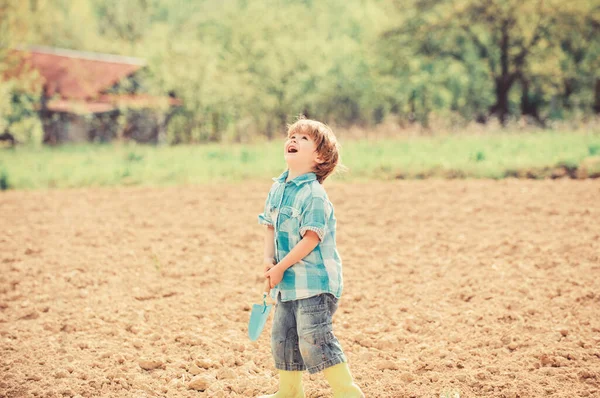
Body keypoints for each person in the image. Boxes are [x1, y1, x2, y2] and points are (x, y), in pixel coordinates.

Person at [257, 117, 364, 397]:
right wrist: (268, 260)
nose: (293, 140)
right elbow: (269, 224)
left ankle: (348, 393)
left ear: (319, 157)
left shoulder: (313, 194)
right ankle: (289, 392)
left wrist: (280, 266)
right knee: (284, 338)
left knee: (315, 339)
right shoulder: (277, 188)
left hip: (314, 284)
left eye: (303, 139)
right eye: (292, 136)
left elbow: (311, 238)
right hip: (289, 284)